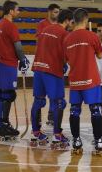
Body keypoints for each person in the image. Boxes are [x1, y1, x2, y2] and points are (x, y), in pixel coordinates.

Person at [63, 8, 102, 154]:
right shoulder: (92, 36)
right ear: (86, 20)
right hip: (91, 80)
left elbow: (67, 59)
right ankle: (99, 141)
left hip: (75, 81)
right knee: (96, 110)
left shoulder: (67, 38)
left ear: (74, 19)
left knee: (75, 111)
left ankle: (76, 140)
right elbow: (100, 55)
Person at [30, 9, 73, 147]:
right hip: (52, 71)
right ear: (67, 20)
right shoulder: (64, 34)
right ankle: (57, 135)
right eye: (71, 22)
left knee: (38, 100)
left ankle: (35, 132)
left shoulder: (45, 29)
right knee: (58, 102)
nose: (71, 24)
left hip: (38, 68)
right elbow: (67, 54)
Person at [0, 0, 30, 138]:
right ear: (11, 11)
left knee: (0, 95)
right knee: (7, 95)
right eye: (17, 10)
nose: (18, 12)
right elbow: (18, 46)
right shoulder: (10, 26)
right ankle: (2, 125)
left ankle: (1, 123)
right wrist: (23, 60)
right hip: (7, 64)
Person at [36, 3, 61, 126]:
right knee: (40, 94)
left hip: (55, 64)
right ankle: (37, 117)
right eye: (55, 12)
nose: (57, 14)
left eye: (58, 12)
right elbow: (41, 41)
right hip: (43, 64)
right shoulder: (42, 24)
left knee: (54, 93)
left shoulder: (59, 26)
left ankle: (51, 116)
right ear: (49, 12)